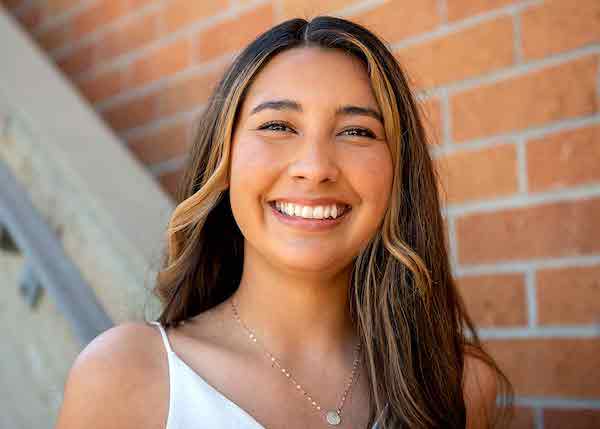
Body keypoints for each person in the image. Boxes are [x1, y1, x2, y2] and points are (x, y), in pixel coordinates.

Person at [55, 16, 513, 429]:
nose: (314, 167)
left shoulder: (462, 388)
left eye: (357, 131)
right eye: (277, 126)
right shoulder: (126, 375)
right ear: (225, 157)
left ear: (399, 173)